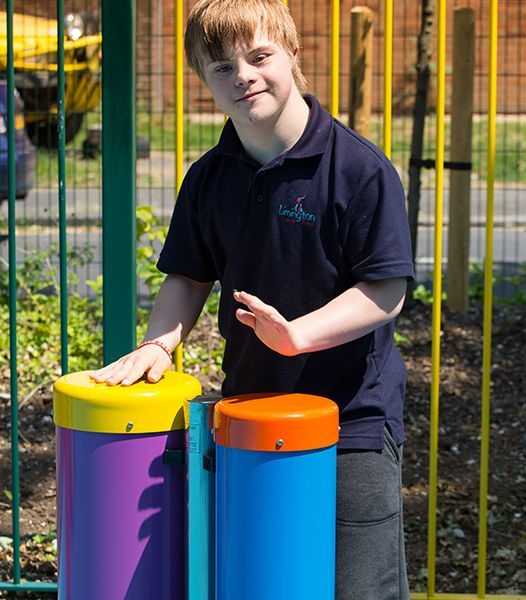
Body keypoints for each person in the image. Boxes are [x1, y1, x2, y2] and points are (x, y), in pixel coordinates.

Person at [92, 0, 414, 597]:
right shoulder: (209, 176)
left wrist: (300, 336)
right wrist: (159, 344)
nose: (242, 74)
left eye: (259, 55)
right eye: (220, 67)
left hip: (353, 427)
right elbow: (188, 277)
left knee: (355, 589)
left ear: (294, 53)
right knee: (261, 583)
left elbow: (385, 289)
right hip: (250, 420)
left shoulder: (359, 169)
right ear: (203, 81)